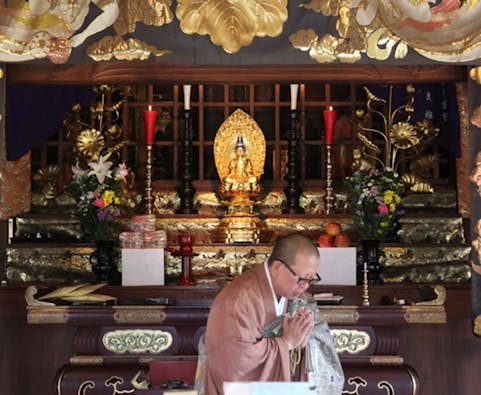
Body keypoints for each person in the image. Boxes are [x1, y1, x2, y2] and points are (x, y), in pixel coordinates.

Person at [200, 233, 343, 395]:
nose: (305, 287)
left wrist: (304, 339)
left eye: (311, 280)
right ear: (277, 268)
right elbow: (237, 364)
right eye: (301, 279)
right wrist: (286, 343)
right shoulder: (241, 298)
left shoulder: (292, 296)